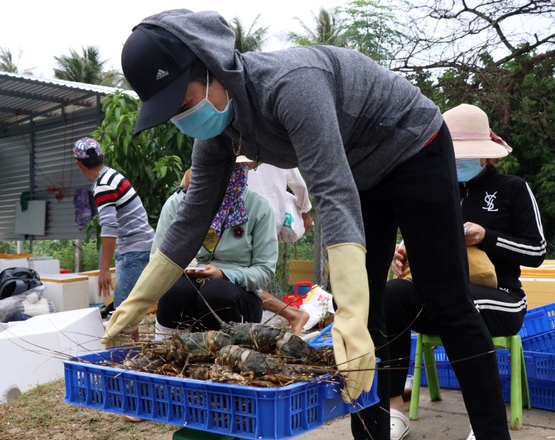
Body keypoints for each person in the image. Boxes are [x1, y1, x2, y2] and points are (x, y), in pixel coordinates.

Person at [103, 10, 512, 439]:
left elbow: (332, 193)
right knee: (367, 311)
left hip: (414, 148)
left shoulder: (292, 85)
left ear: (211, 68)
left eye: (184, 104)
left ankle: (491, 434)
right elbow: (189, 220)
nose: (183, 118)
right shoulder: (218, 135)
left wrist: (347, 309)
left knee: (445, 300)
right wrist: (135, 302)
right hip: (359, 170)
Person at [385, 104, 546, 440]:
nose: (459, 162)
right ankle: (394, 407)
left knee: (460, 301)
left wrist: (486, 236)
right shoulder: (436, 193)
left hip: (501, 297)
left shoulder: (513, 188)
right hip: (440, 295)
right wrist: (403, 254)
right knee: (392, 296)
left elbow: (537, 251)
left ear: (487, 154)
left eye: (466, 155)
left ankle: (484, 419)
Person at [152, 158, 278, 339]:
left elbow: (264, 271)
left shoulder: (259, 207)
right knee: (175, 290)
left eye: (235, 168)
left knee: (215, 291)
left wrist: (225, 274)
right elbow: (157, 261)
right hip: (188, 290)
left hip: (237, 296)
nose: (227, 174)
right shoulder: (178, 204)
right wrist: (181, 269)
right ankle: (171, 348)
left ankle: (228, 351)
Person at [72, 137, 155, 309]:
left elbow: (109, 227)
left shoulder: (103, 185)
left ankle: (125, 337)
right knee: (130, 308)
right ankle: (132, 337)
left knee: (123, 309)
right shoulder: (111, 175)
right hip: (141, 245)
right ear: (101, 156)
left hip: (134, 250)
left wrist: (104, 270)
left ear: (79, 164)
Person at [248, 163, 313, 335]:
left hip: (246, 218)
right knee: (250, 277)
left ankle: (292, 314)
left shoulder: (235, 143)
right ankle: (291, 315)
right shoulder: (275, 144)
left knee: (239, 277)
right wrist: (305, 212)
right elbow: (299, 184)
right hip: (273, 218)